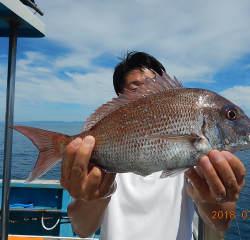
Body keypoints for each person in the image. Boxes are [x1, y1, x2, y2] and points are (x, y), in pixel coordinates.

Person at [60, 52, 246, 240]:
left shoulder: (197, 163)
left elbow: (222, 221)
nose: (148, 92)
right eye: (136, 89)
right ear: (120, 101)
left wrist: (214, 198)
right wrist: (96, 194)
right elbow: (82, 230)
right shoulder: (105, 164)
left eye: (154, 85)